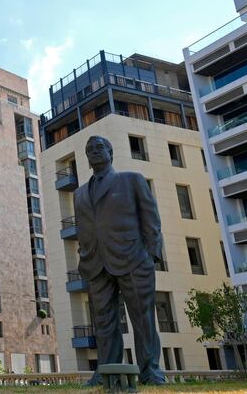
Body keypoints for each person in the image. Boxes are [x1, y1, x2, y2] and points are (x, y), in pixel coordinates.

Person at [74, 135, 165, 385]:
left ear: (110, 152)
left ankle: (150, 371)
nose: (94, 152)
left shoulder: (131, 180)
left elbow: (151, 219)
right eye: (89, 149)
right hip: (96, 263)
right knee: (103, 321)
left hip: (134, 258)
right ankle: (106, 371)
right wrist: (84, 254)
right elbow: (84, 228)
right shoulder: (80, 194)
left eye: (99, 147)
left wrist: (151, 254)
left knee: (142, 318)